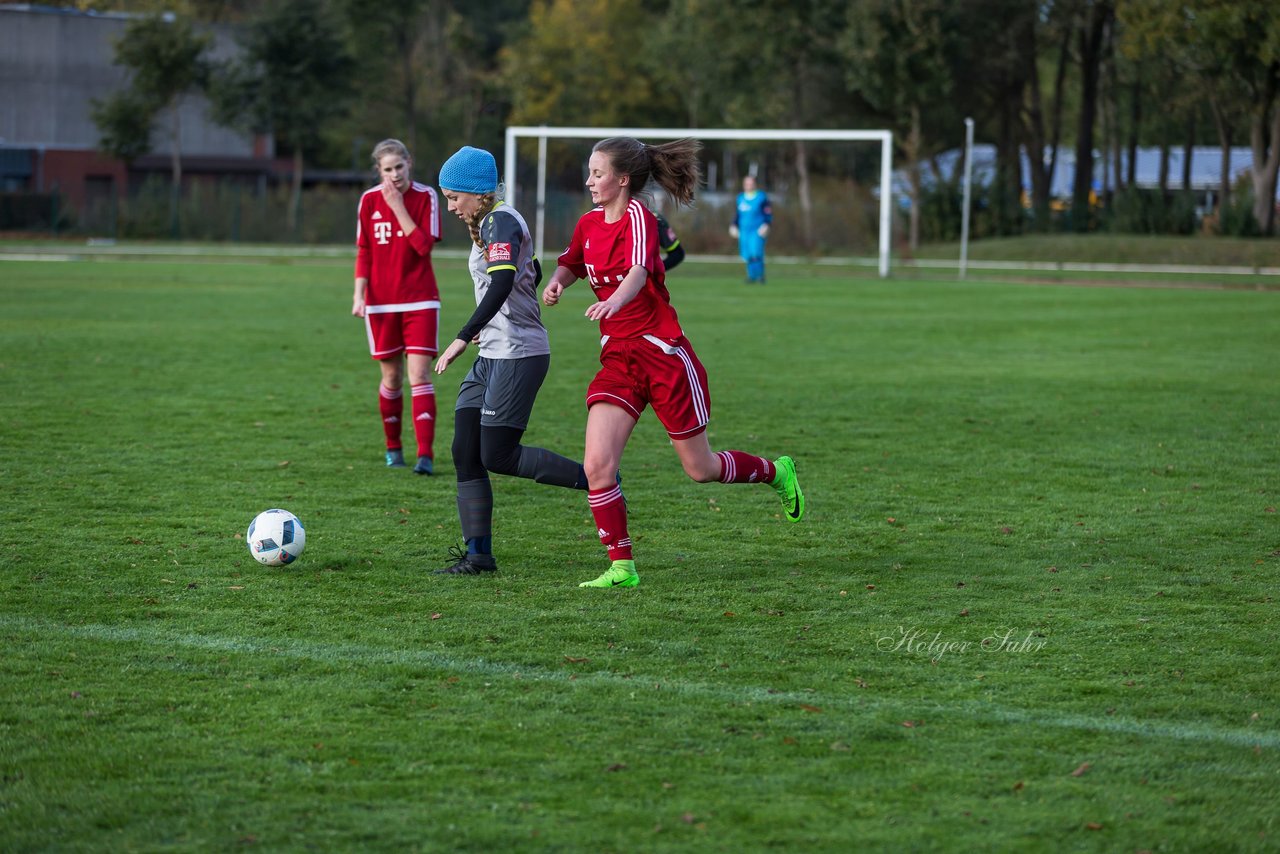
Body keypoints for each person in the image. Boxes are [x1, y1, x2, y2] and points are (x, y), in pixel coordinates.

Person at [542, 136, 805, 589]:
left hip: (664, 356)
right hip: (619, 359)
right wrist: (557, 283)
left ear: (622, 180)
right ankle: (622, 568)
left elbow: (639, 273)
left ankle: (776, 471)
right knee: (597, 466)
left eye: (597, 173)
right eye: (589, 172)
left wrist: (613, 304)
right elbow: (571, 262)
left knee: (700, 470)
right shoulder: (587, 224)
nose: (589, 181)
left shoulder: (639, 218)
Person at [432, 146, 593, 575]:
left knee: (497, 455)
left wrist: (462, 336)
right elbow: (531, 270)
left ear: (478, 192)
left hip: (517, 355)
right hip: (493, 353)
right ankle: (478, 557)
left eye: (453, 197)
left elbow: (503, 281)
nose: (450, 207)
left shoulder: (501, 220)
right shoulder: (490, 223)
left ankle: (598, 482)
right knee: (465, 451)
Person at [353, 138, 442, 475]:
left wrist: (398, 207)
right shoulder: (368, 200)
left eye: (399, 168)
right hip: (380, 303)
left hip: (420, 299)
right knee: (391, 377)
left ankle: (425, 456)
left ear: (409, 163)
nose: (394, 176)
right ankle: (393, 449)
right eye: (387, 170)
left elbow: (422, 247)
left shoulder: (426, 197)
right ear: (379, 171)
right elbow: (364, 251)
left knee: (418, 374)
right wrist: (358, 294)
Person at [729, 174, 772, 283]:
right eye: (747, 183)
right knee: (747, 254)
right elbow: (737, 214)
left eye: (751, 183)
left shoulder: (761, 197)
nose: (749, 185)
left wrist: (766, 224)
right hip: (744, 231)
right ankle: (751, 276)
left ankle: (760, 276)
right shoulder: (740, 198)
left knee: (756, 253)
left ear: (755, 184)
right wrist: (734, 225)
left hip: (757, 230)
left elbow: (767, 212)